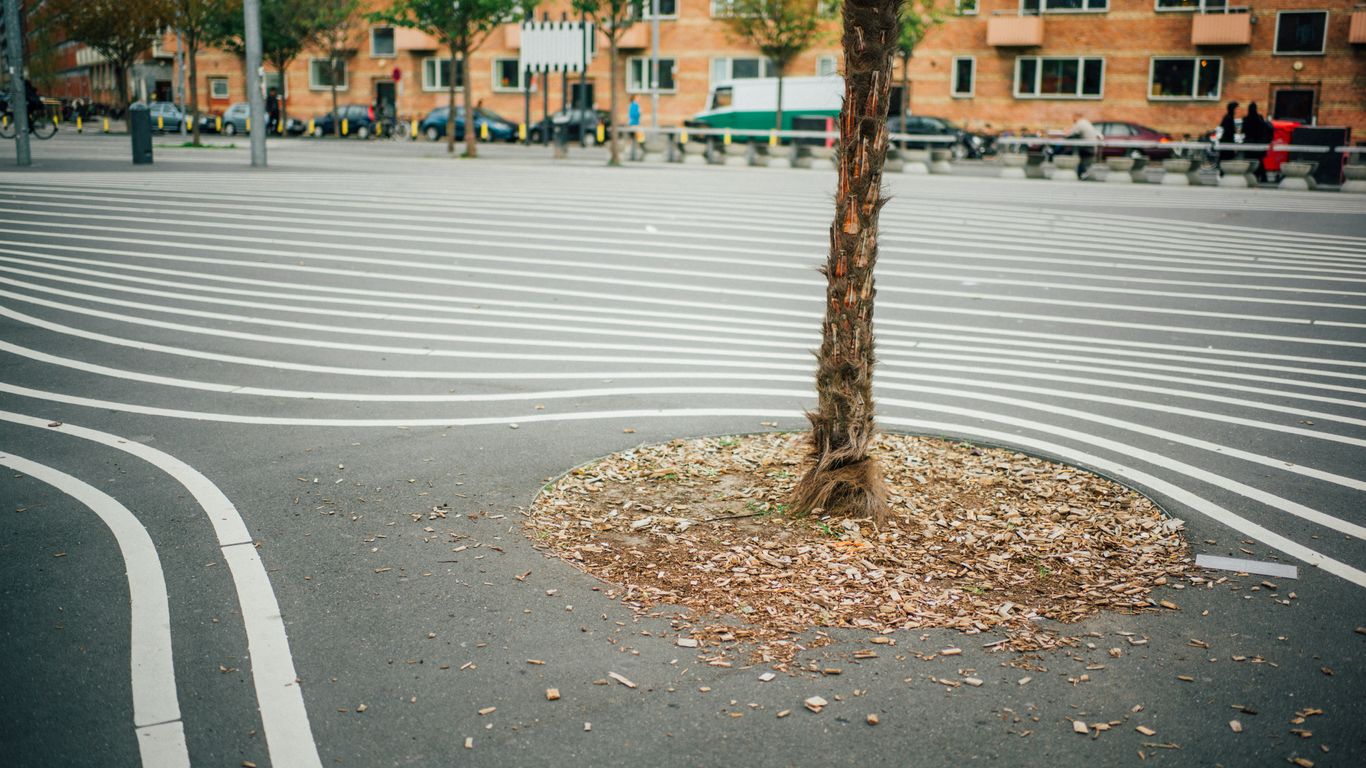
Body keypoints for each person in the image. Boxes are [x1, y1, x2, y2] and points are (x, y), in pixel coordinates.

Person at [1241, 101, 1272, 183]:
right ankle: (1261, 176)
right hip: (1259, 143)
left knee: (1251, 161)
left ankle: (1254, 176)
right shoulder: (1259, 118)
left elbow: (1243, 131)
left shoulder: (1246, 119)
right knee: (1259, 161)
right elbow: (1268, 128)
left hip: (1250, 143)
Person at [1065, 112, 1102, 177]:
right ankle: (1080, 174)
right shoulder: (1086, 122)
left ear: (1077, 117)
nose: (1073, 119)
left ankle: (1075, 173)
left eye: (1073, 117)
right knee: (1079, 159)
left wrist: (1066, 134)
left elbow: (1070, 134)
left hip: (1087, 147)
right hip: (1091, 147)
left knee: (1066, 151)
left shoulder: (1080, 123)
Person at [1216, 101, 1239, 168]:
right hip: (1227, 141)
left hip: (1226, 141)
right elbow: (1228, 131)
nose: (1236, 111)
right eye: (1235, 109)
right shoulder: (1228, 117)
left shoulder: (1228, 117)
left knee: (1226, 159)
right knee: (1226, 159)